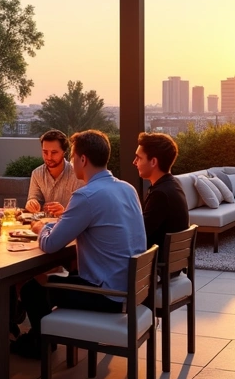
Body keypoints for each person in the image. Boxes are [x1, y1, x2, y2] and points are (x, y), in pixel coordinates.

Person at [13, 130, 147, 358]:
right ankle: (42, 337)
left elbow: (51, 244)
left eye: (73, 157)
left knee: (31, 290)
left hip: (107, 295)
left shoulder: (86, 195)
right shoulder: (127, 188)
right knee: (53, 279)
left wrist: (40, 228)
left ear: (83, 159)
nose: (72, 162)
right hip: (131, 288)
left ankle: (42, 343)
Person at [133, 132, 188, 250]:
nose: (134, 162)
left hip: (154, 262)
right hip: (173, 261)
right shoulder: (173, 186)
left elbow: (140, 233)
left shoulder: (160, 194)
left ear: (153, 162)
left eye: (139, 158)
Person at [24, 129, 83, 217]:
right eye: (45, 152)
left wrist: (64, 211)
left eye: (54, 152)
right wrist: (31, 203)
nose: (49, 157)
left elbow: (82, 211)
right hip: (43, 225)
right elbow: (34, 198)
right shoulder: (37, 174)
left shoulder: (76, 175)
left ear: (64, 152)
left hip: (68, 225)